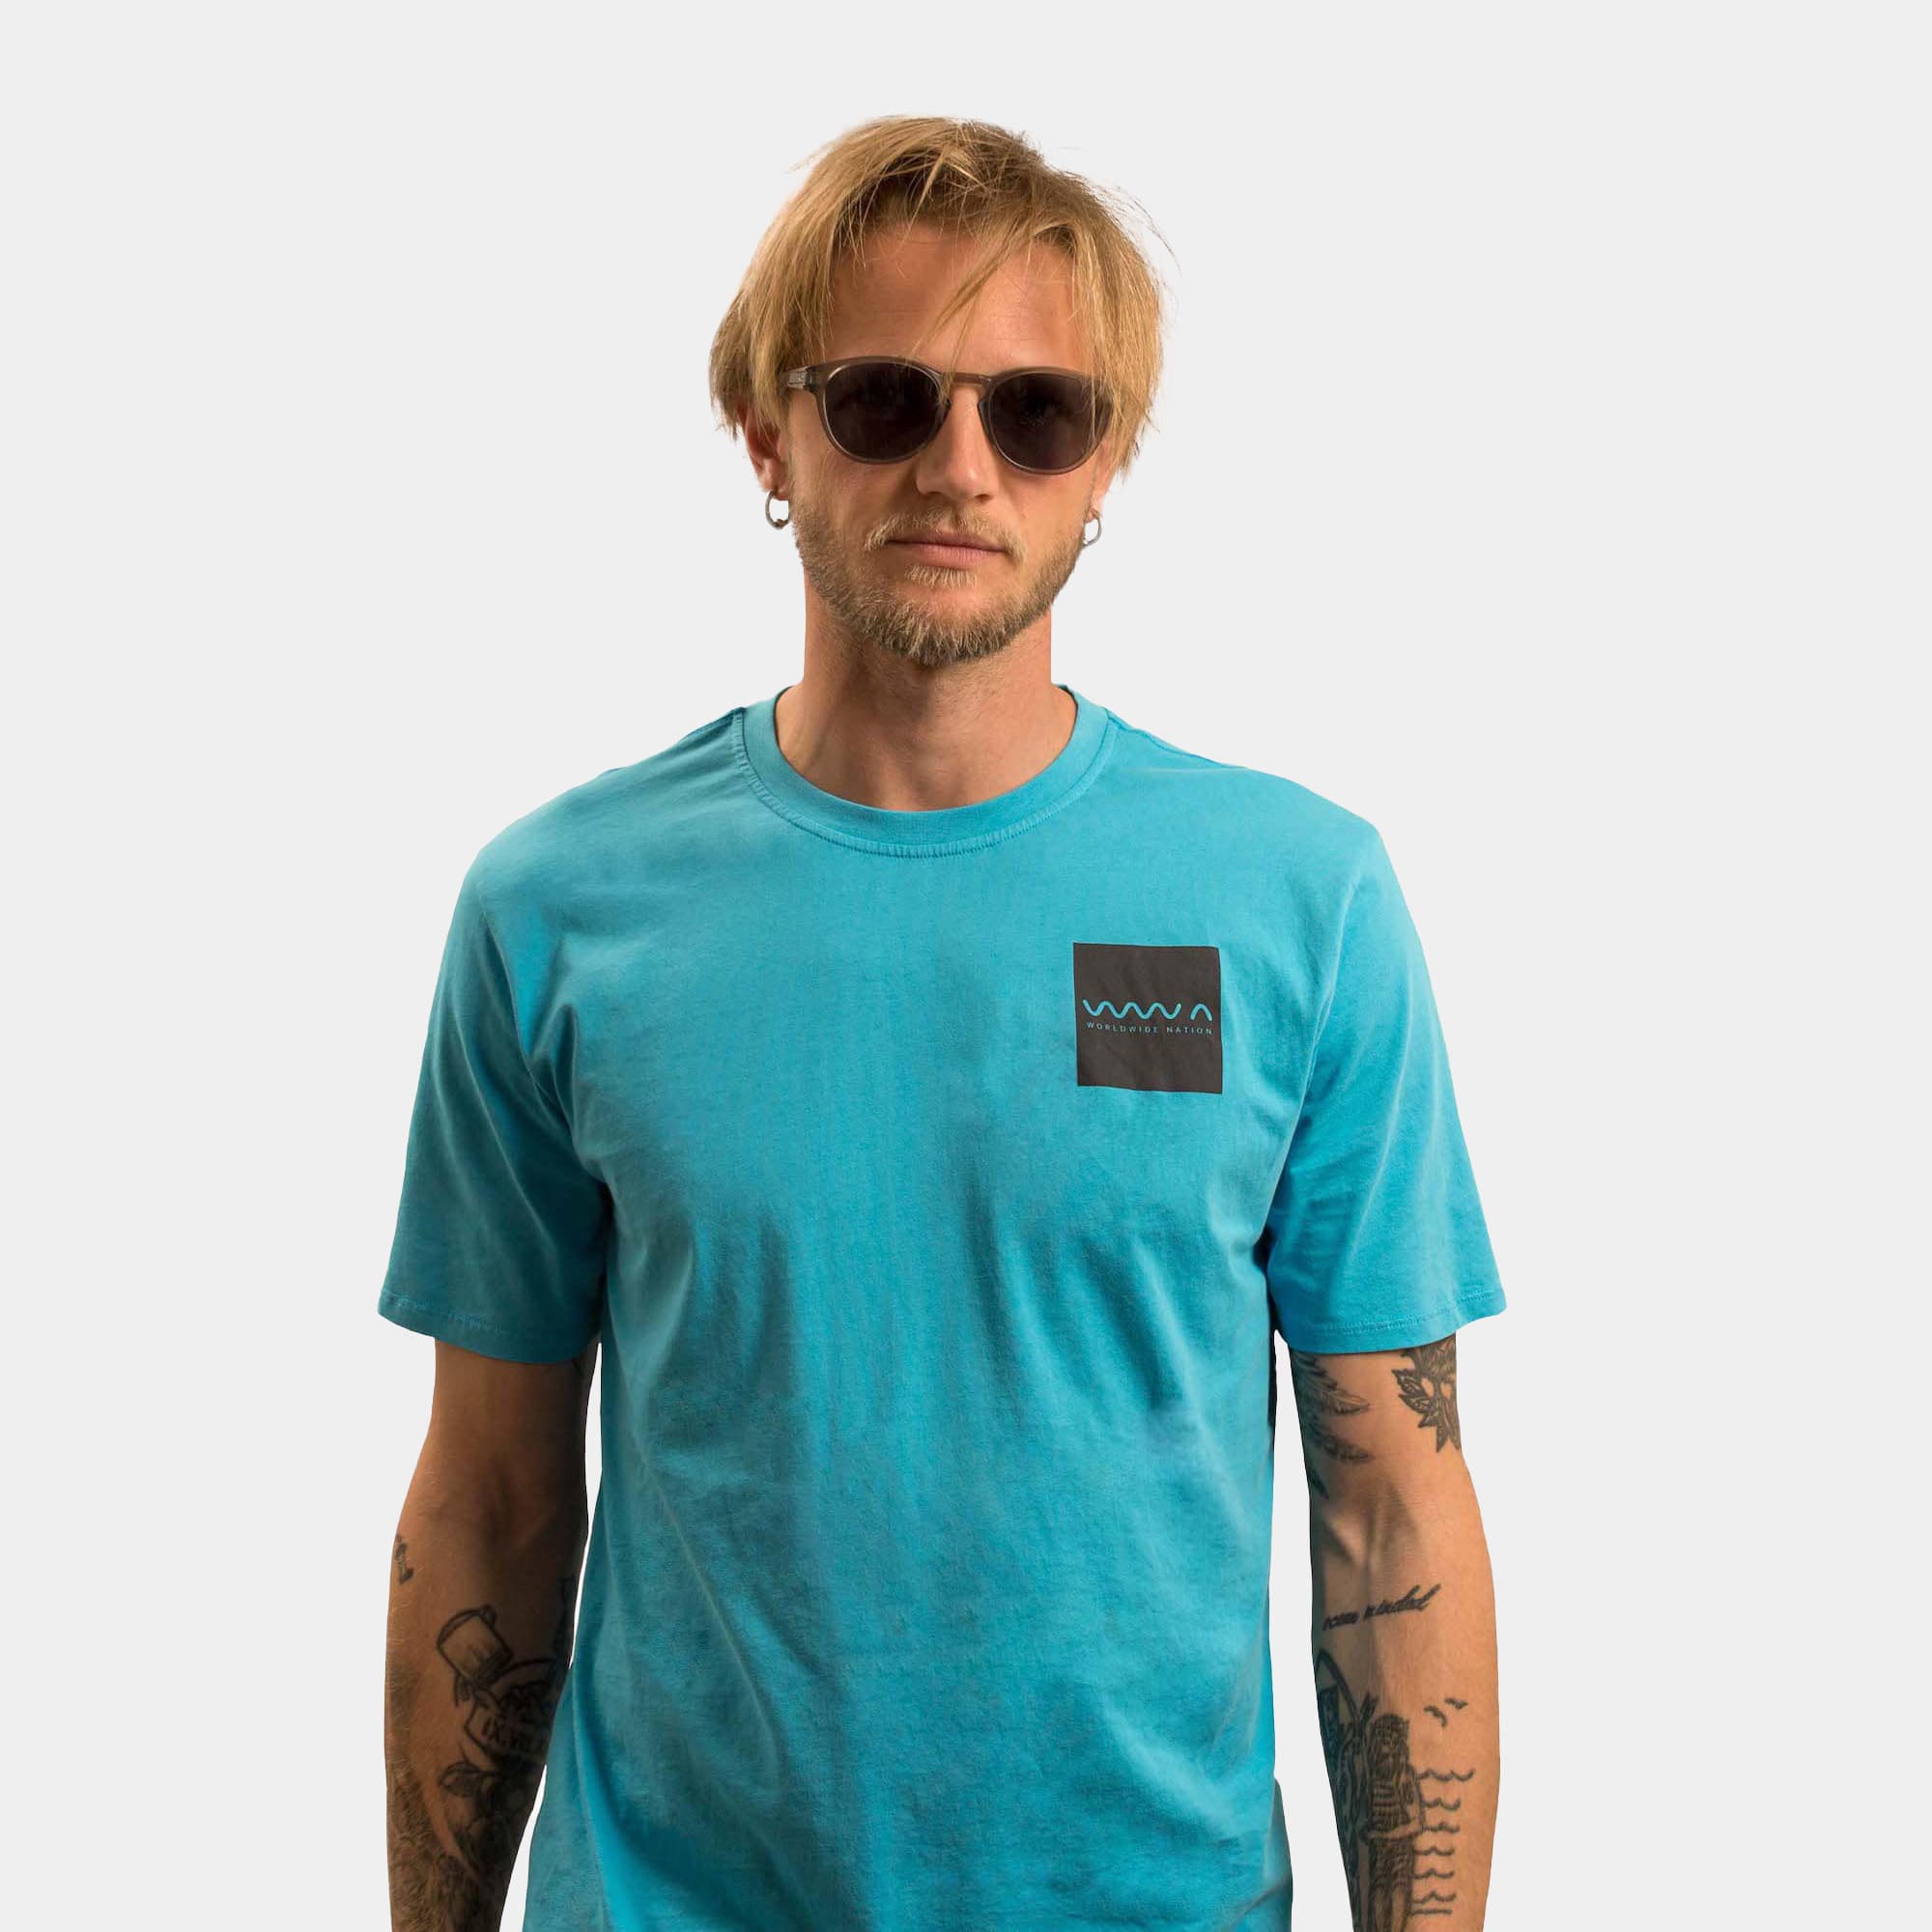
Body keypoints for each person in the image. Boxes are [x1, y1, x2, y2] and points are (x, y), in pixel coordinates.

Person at [379, 114, 1506, 1932]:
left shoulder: (1304, 903)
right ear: (767, 433)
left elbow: (1393, 1504)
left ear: (1103, 460)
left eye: (1035, 412)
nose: (960, 468)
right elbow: (490, 1502)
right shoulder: (557, 912)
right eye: (884, 401)